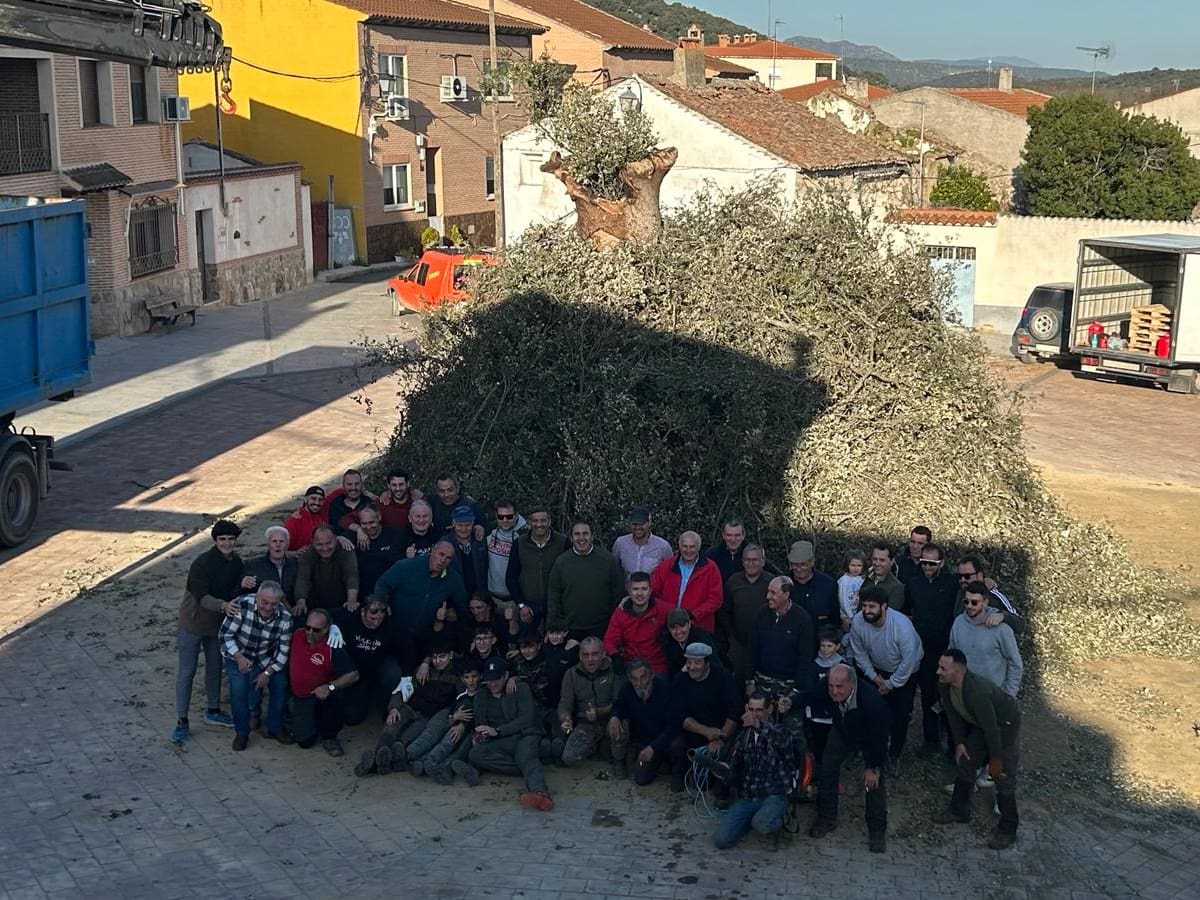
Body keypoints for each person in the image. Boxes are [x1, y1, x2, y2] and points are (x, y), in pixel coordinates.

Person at [934, 649, 1021, 849]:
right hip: (980, 723)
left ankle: (1008, 829)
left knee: (1002, 776)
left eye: (943, 668)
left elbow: (992, 730)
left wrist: (996, 759)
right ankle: (958, 810)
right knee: (966, 761)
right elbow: (953, 716)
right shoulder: (945, 686)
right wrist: (960, 743)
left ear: (958, 671)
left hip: (1004, 725)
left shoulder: (977, 691)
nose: (938, 671)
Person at [173, 519, 246, 742]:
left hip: (217, 625)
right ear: (215, 541)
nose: (226, 543)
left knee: (215, 668)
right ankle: (182, 719)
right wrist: (223, 605)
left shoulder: (237, 563)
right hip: (193, 624)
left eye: (230, 539)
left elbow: (235, 588)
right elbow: (202, 596)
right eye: (222, 539)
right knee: (187, 671)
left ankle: (213, 710)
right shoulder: (201, 563)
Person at [809, 664, 890, 853]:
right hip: (842, 730)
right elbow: (810, 695)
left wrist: (873, 767)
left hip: (870, 738)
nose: (834, 691)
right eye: (831, 686)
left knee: (874, 783)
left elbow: (879, 739)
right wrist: (791, 701)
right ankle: (826, 818)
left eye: (839, 687)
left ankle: (877, 831)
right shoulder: (828, 686)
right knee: (827, 769)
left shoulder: (873, 703)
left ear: (852, 684)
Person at [355, 640, 461, 777]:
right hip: (408, 708)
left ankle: (375, 765)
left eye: (442, 657)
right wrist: (394, 708)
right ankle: (381, 756)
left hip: (426, 717)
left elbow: (461, 698)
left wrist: (456, 717)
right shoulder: (423, 671)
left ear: (450, 655)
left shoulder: (457, 677)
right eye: (434, 657)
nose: (437, 661)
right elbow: (401, 689)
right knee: (391, 728)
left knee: (405, 740)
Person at [713, 692, 805, 850]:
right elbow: (735, 769)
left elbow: (782, 741)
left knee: (761, 823)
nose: (754, 714)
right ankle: (751, 821)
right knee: (721, 840)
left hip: (775, 795)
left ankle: (784, 819)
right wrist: (724, 770)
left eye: (759, 710)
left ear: (769, 709)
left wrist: (757, 725)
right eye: (751, 709)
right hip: (749, 797)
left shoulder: (781, 730)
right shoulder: (742, 737)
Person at [845, 585, 923, 764]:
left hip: (906, 672)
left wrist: (890, 684)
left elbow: (908, 662)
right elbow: (859, 651)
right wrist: (873, 677)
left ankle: (894, 753)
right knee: (869, 710)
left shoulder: (902, 627)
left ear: (884, 606)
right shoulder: (858, 621)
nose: (867, 611)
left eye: (872, 607)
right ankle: (866, 748)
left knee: (899, 715)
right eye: (864, 606)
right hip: (876, 668)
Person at [469, 657, 554, 811]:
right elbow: (480, 725)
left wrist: (498, 731)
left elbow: (526, 719)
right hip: (501, 741)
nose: (493, 684)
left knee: (526, 753)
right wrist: (480, 736)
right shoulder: (481, 696)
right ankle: (531, 766)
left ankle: (540, 792)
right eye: (489, 680)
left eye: (497, 679)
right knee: (476, 754)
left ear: (505, 676)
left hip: (524, 734)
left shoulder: (520, 689)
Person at [219, 581, 293, 750]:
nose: (268, 607)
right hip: (237, 654)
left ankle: (275, 728)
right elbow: (225, 636)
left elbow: (283, 651)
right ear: (257, 597)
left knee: (280, 686)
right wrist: (239, 657)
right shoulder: (241, 604)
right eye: (264, 602)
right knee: (238, 691)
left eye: (273, 604)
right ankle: (242, 733)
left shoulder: (285, 617)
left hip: (267, 658)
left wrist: (267, 673)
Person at [906, 543, 959, 755]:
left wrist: (989, 584)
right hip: (923, 649)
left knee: (950, 697)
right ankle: (931, 741)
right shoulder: (913, 582)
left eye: (931, 563)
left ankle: (954, 745)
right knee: (928, 695)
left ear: (942, 563)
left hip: (945, 648)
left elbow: (975, 586)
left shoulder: (952, 582)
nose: (926, 566)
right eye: (924, 562)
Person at [667, 642, 740, 792]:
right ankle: (679, 772)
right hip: (693, 735)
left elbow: (735, 711)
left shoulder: (724, 677)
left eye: (697, 662)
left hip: (721, 734)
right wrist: (706, 731)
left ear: (707, 663)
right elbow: (678, 714)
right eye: (689, 662)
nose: (692, 667)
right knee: (676, 744)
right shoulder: (680, 679)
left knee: (716, 784)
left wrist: (719, 738)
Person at [288, 609, 359, 756]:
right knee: (305, 741)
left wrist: (330, 686)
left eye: (316, 630)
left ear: (327, 629)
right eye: (308, 627)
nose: (310, 632)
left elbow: (353, 675)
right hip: (300, 695)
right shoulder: (297, 633)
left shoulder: (333, 645)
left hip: (323, 694)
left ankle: (330, 736)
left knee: (334, 701)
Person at [375, 541, 467, 650]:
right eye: (441, 554)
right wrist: (384, 605)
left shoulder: (454, 579)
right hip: (395, 631)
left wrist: (451, 609)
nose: (443, 560)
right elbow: (382, 584)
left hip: (425, 636)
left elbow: (462, 603)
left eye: (448, 558)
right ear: (433, 551)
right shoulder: (407, 566)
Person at [333, 597, 412, 723]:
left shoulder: (391, 625)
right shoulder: (350, 619)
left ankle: (389, 706)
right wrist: (333, 626)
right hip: (356, 672)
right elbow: (326, 613)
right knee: (352, 718)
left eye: (380, 619)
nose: (376, 623)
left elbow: (405, 650)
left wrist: (407, 676)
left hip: (380, 667)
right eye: (372, 618)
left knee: (393, 673)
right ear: (363, 612)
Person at [556, 637, 625, 774]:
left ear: (603, 653)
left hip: (610, 719)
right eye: (586, 655)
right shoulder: (571, 674)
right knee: (569, 758)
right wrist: (565, 719)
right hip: (585, 724)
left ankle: (619, 759)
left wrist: (600, 712)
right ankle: (597, 747)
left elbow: (621, 702)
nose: (590, 659)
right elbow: (565, 703)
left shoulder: (614, 671)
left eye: (595, 654)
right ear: (580, 656)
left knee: (621, 725)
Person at [547, 522, 624, 641]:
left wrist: (612, 622)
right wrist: (554, 625)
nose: (581, 538)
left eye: (585, 534)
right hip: (570, 627)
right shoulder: (561, 562)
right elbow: (554, 595)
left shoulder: (608, 561)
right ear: (571, 538)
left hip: (601, 626)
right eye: (577, 534)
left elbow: (617, 592)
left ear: (592, 537)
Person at [410, 661, 485, 785]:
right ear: (462, 679)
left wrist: (463, 725)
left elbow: (480, 716)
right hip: (456, 728)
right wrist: (456, 718)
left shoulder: (483, 694)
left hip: (474, 730)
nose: (471, 681)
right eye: (467, 677)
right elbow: (450, 717)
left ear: (480, 677)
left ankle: (437, 764)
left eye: (474, 676)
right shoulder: (461, 696)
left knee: (460, 745)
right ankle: (427, 761)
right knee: (447, 736)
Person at [949, 581, 1022, 698]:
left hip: (993, 696)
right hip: (964, 693)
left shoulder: (1001, 629)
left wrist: (1008, 695)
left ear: (985, 602)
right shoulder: (958, 623)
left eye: (974, 602)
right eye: (966, 601)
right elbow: (952, 656)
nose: (969, 606)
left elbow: (1015, 664)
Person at [609, 659, 674, 786]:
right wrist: (614, 717)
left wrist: (653, 747)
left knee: (678, 745)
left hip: (664, 740)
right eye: (634, 679)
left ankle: (677, 773)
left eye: (643, 678)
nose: (639, 683)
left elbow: (673, 725)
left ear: (651, 675)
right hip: (643, 742)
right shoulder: (627, 689)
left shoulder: (665, 689)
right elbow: (619, 705)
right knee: (641, 779)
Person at [505, 506, 570, 629]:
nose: (539, 524)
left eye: (543, 520)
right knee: (527, 644)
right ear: (529, 522)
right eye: (535, 521)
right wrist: (521, 604)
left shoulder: (563, 543)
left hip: (555, 605)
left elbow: (570, 575)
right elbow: (511, 577)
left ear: (549, 521)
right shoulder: (519, 543)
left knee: (555, 643)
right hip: (528, 605)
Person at [650, 531, 724, 633]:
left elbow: (715, 599)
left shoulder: (711, 568)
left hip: (699, 626)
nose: (688, 550)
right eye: (685, 546)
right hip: (669, 625)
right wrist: (668, 611)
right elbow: (652, 591)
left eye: (692, 547)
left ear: (699, 547)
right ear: (679, 547)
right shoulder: (666, 566)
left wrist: (693, 614)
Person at [603, 572, 672, 674]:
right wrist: (614, 655)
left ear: (650, 591)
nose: (640, 593)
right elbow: (609, 640)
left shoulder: (664, 609)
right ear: (629, 592)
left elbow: (684, 620)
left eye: (644, 589)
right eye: (635, 589)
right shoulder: (620, 612)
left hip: (656, 667)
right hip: (631, 666)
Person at [720, 543, 770, 678]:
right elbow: (725, 611)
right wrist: (731, 636)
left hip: (765, 643)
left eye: (755, 560)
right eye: (747, 560)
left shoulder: (771, 582)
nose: (751, 564)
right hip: (738, 644)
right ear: (742, 561)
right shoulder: (733, 581)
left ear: (763, 562)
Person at [294, 524, 360, 617]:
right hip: (315, 605)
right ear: (312, 542)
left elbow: (351, 574)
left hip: (341, 603)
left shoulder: (346, 550)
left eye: (329, 543)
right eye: (319, 544)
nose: (325, 548)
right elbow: (303, 580)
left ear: (336, 539)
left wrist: (352, 600)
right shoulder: (307, 555)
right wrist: (301, 602)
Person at [953, 555, 1026, 634]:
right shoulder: (958, 593)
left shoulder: (994, 595)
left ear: (980, 575)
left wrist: (1003, 616)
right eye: (960, 576)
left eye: (967, 576)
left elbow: (1020, 624)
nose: (963, 580)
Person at [805, 628, 845, 762]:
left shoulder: (844, 665)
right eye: (822, 645)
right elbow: (811, 691)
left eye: (829, 646)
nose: (825, 649)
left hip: (837, 715)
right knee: (819, 748)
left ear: (837, 647)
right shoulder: (813, 666)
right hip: (818, 715)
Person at [786, 541, 840, 637]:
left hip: (819, 642)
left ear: (812, 562)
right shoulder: (783, 583)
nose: (798, 569)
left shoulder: (828, 584)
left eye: (803, 564)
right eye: (795, 564)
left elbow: (834, 619)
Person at [704, 518, 778, 585]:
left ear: (743, 535)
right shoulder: (712, 555)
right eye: (729, 535)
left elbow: (776, 575)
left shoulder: (753, 554)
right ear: (723, 535)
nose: (733, 539)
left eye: (737, 535)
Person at [350, 507, 404, 597]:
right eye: (364, 523)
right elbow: (337, 536)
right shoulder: (354, 537)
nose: (368, 527)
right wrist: (358, 530)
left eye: (372, 522)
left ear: (379, 517)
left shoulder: (395, 535)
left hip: (391, 591)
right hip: (364, 594)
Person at [611, 506, 672, 583]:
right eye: (635, 524)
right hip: (626, 592)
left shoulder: (663, 546)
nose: (638, 527)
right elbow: (614, 569)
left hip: (653, 593)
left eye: (642, 524)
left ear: (649, 523)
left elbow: (669, 573)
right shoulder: (620, 543)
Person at [485, 499, 525, 610]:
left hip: (517, 598)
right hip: (492, 596)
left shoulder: (524, 534)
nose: (505, 520)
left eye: (509, 516)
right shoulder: (489, 529)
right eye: (501, 517)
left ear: (516, 515)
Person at [243, 525, 299, 605]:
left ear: (287, 545)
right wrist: (242, 584)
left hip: (290, 610)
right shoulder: (253, 565)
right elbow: (238, 593)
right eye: (274, 541)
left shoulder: (296, 565)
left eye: (281, 541)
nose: (278, 545)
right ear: (268, 544)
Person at [660, 608, 720, 675]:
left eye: (682, 626)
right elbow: (673, 672)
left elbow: (716, 666)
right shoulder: (667, 642)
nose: (678, 631)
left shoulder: (702, 638)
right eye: (673, 628)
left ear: (689, 624)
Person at [446, 505, 488, 598]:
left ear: (473, 523)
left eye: (467, 525)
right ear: (453, 523)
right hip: (456, 596)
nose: (464, 529)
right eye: (460, 525)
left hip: (480, 596)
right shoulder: (445, 544)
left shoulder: (481, 541)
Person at [862, 543, 907, 612]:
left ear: (892, 561)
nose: (877, 563)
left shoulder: (897, 587)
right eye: (875, 559)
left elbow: (889, 615)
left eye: (882, 560)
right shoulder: (863, 579)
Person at [285, 485, 327, 552]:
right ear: (305, 499)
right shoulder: (294, 520)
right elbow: (283, 550)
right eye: (313, 498)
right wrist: (295, 553)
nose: (317, 503)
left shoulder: (322, 518)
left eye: (320, 500)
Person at [837, 549, 866, 630]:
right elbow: (843, 600)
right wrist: (850, 616)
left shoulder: (861, 579)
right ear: (847, 565)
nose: (856, 568)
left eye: (859, 565)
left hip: (858, 614)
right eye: (853, 565)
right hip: (848, 616)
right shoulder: (844, 581)